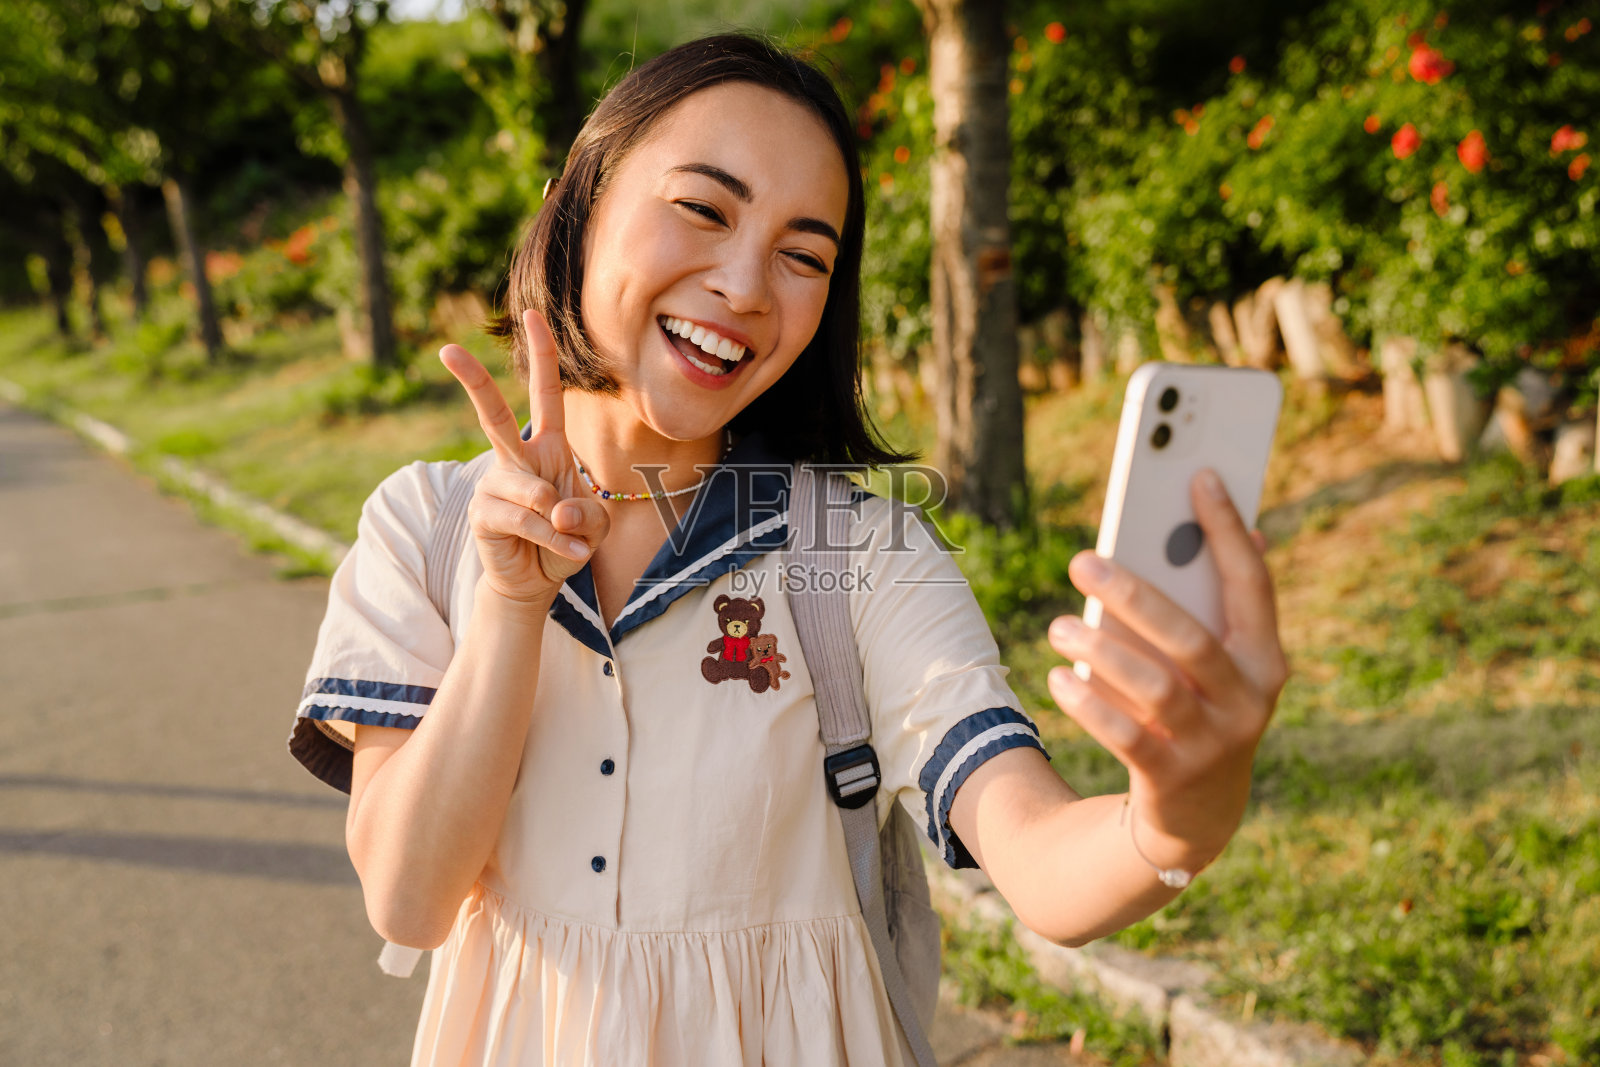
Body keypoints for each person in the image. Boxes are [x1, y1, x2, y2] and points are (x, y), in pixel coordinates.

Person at [287, 33, 1287, 1067]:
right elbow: (408, 899)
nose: (746, 284)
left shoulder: (856, 551)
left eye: (803, 254)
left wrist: (1173, 822)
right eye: (703, 208)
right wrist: (507, 600)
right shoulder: (424, 526)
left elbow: (1033, 853)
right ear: (574, 207)